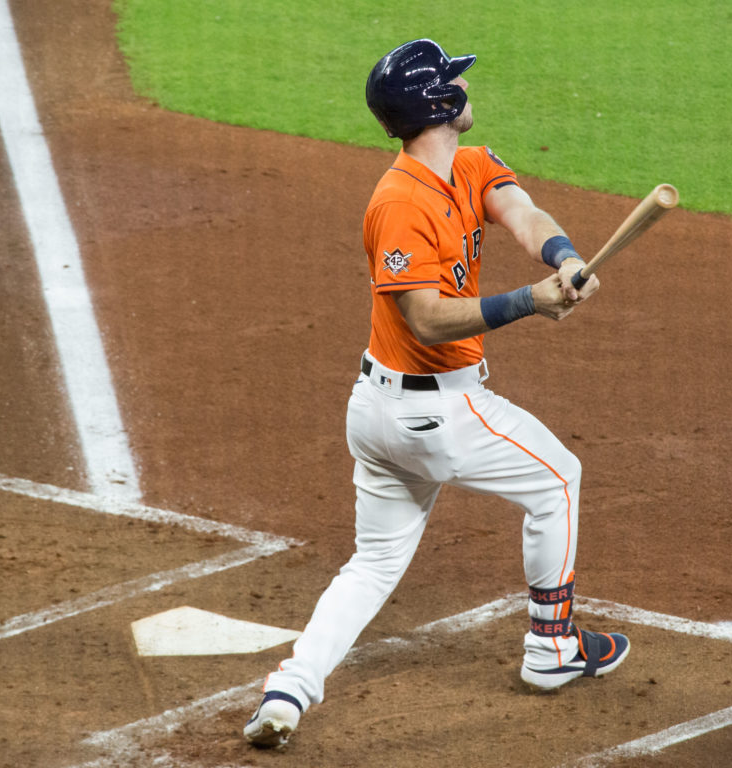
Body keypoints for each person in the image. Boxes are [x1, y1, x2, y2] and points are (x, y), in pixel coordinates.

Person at [244, 38, 629, 749]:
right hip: (435, 412)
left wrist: (566, 258)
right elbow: (423, 315)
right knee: (559, 480)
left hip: (379, 412)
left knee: (375, 562)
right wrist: (528, 302)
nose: (464, 86)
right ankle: (552, 650)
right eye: (454, 80)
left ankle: (288, 692)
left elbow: (525, 214)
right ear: (440, 104)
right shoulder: (397, 202)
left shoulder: (470, 165)